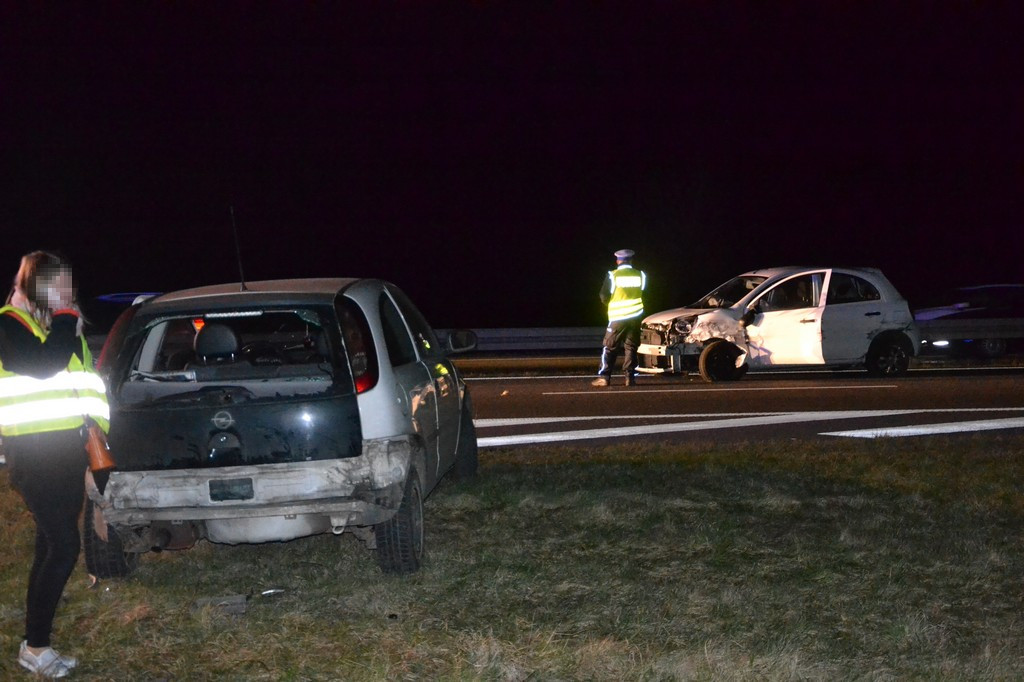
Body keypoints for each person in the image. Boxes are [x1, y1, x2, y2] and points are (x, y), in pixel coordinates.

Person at [0, 251, 109, 678]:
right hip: (33, 456)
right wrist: (66, 316)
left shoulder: (63, 329)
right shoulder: (10, 323)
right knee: (64, 545)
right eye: (58, 287)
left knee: (49, 545)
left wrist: (98, 437)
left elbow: (84, 385)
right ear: (37, 287)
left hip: (68, 452)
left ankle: (36, 638)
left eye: (69, 286)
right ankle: (35, 647)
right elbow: (44, 366)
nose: (68, 294)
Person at [593, 249, 647, 387]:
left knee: (609, 347)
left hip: (618, 317)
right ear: (631, 260)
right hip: (635, 317)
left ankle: (604, 377)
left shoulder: (613, 275)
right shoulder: (640, 274)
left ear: (618, 260)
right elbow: (643, 292)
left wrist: (611, 304)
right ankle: (630, 378)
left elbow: (603, 296)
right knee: (631, 347)